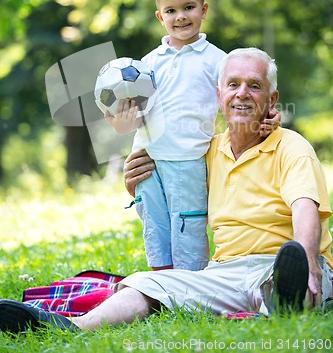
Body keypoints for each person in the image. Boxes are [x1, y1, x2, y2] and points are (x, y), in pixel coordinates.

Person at [0, 47, 332, 333]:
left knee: (291, 278)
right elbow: (173, 189)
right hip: (225, 271)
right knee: (145, 283)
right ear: (219, 96)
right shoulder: (204, 152)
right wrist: (136, 185)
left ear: (272, 99)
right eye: (233, 85)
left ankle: (289, 297)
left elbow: (305, 207)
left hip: (284, 262)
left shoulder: (291, 146)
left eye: (254, 86)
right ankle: (68, 326)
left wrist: (307, 260)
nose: (242, 93)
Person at [105, 0, 279, 271]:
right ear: (160, 17)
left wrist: (269, 116)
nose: (180, 17)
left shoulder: (218, 61)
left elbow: (243, 94)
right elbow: (132, 118)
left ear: (204, 10)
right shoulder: (146, 64)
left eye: (188, 7)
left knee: (188, 226)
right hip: (147, 158)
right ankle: (161, 281)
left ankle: (190, 282)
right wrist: (122, 122)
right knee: (154, 225)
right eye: (171, 11)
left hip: (188, 160)